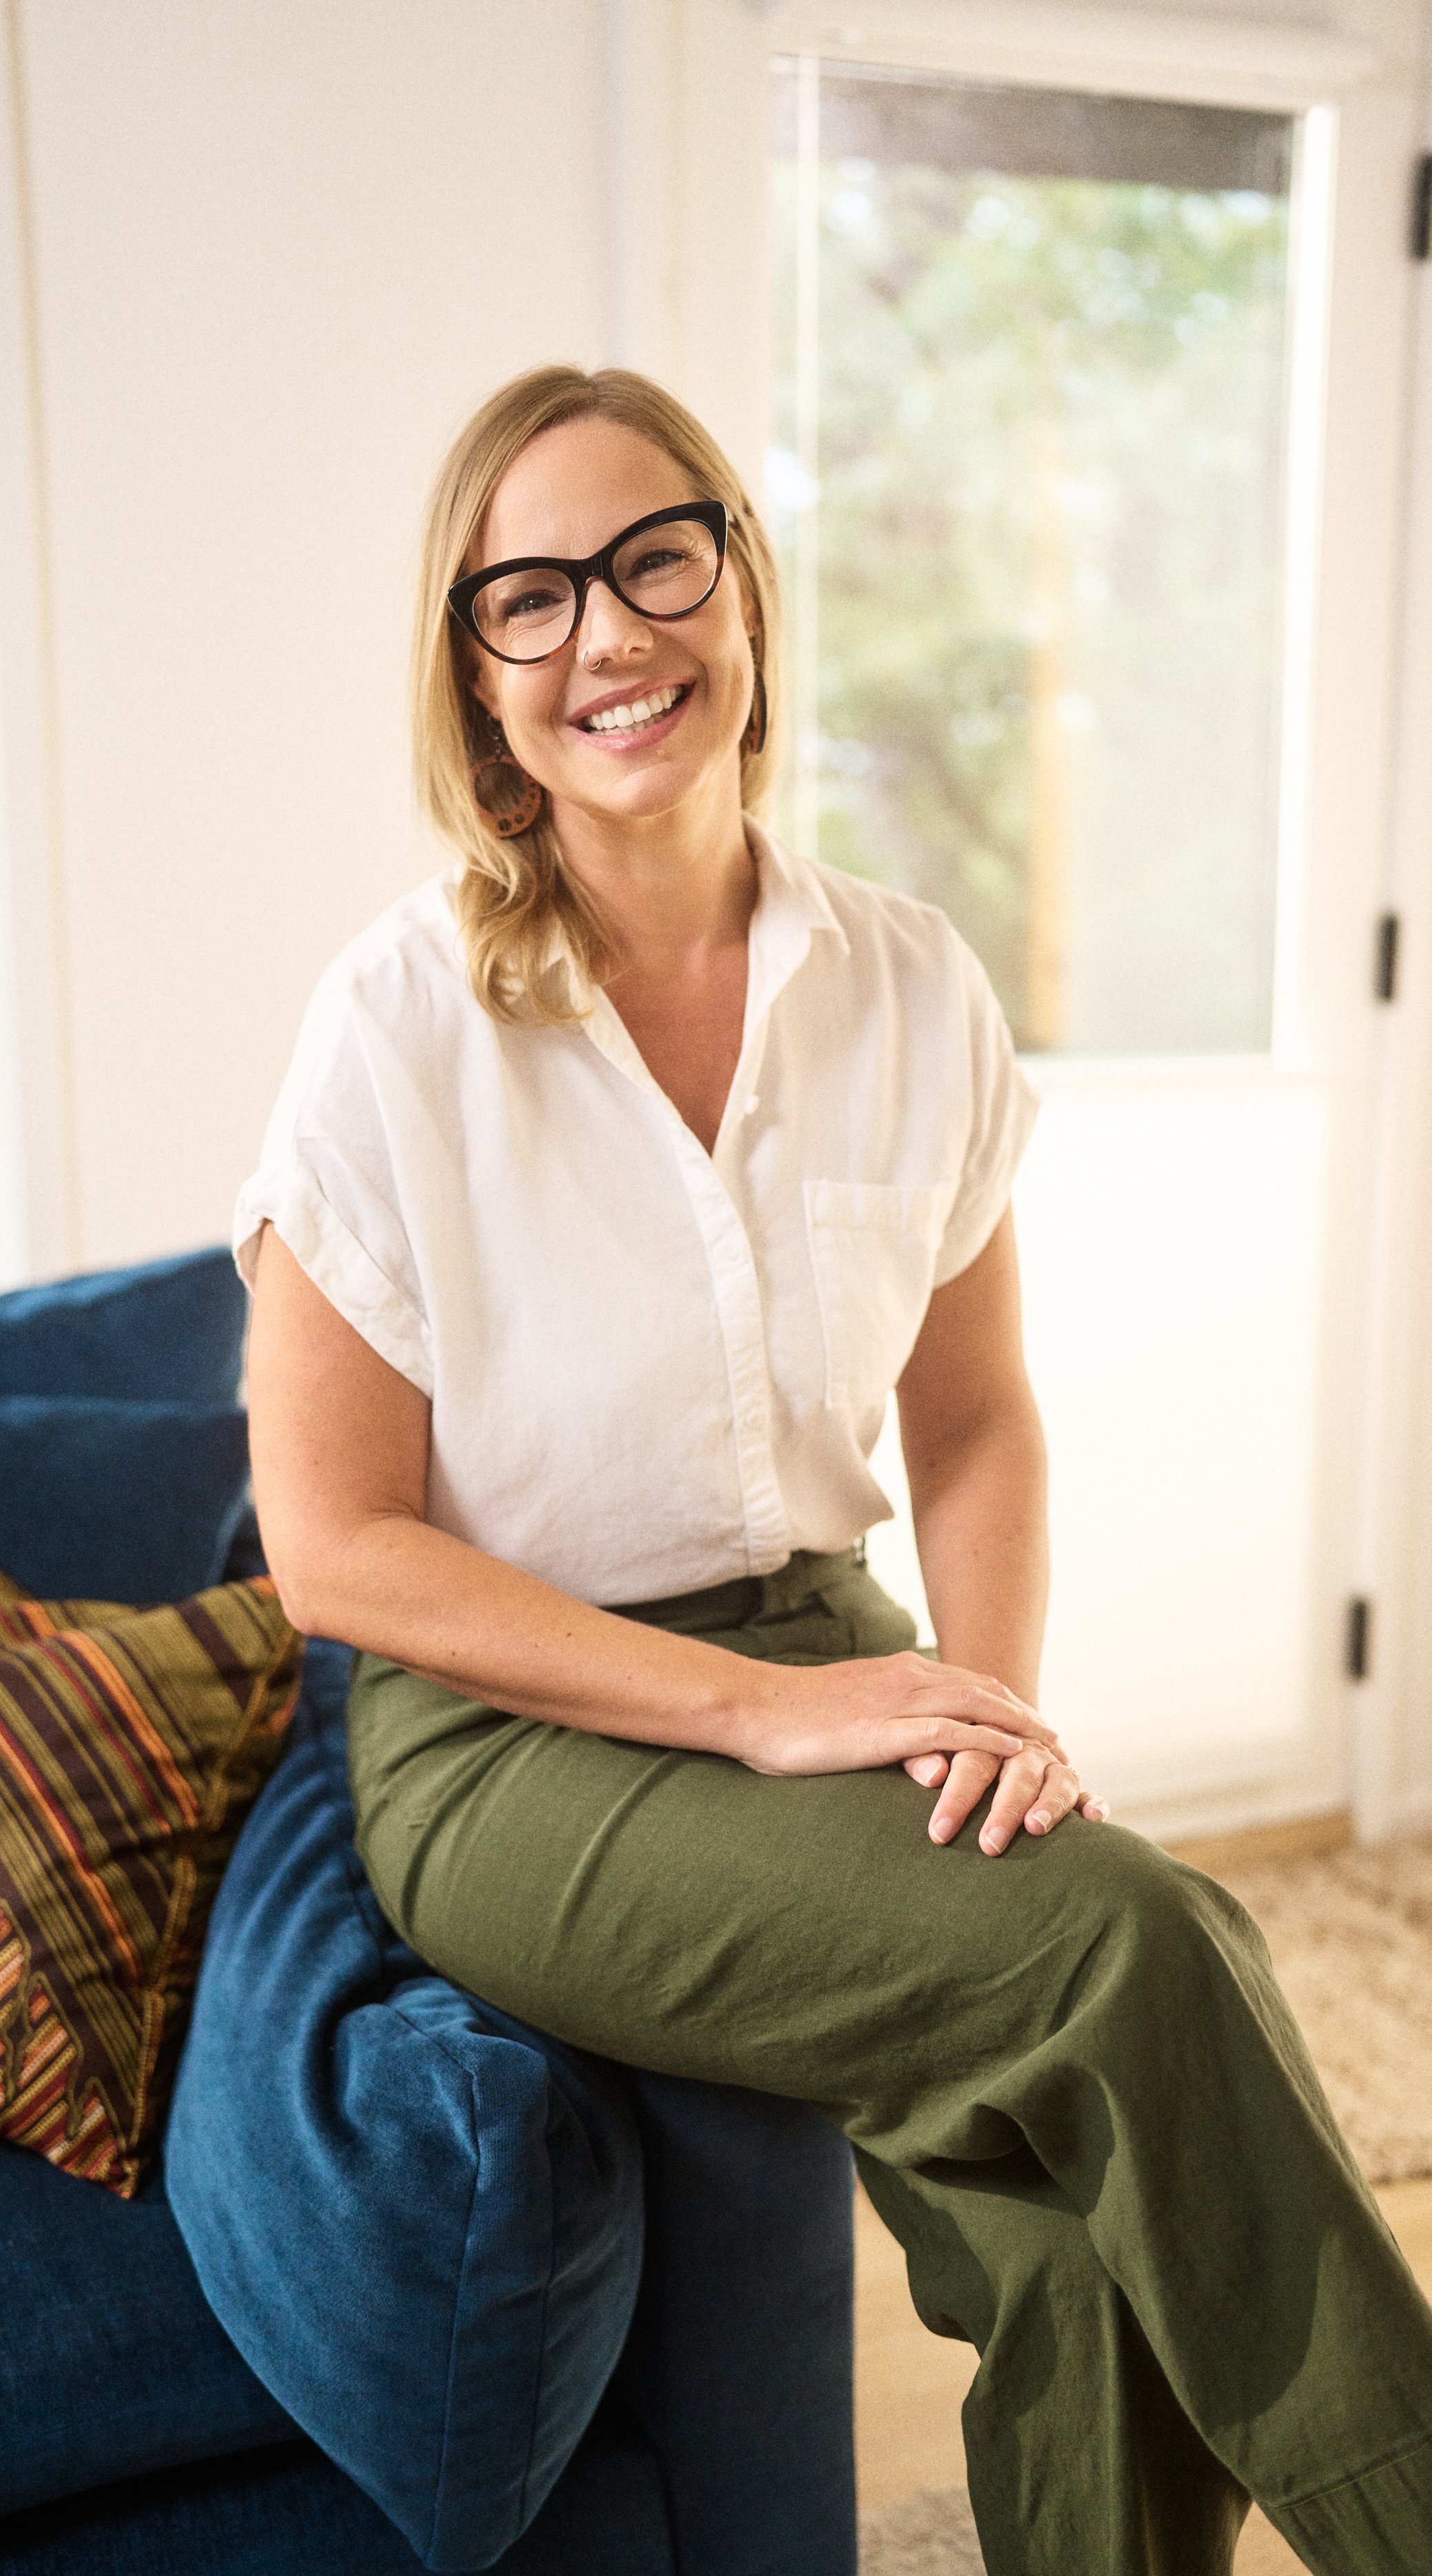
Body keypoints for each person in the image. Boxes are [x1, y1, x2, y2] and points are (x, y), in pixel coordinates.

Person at [236, 364, 1432, 2575]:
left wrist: (985, 1705)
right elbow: (334, 1552)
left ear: (744, 594)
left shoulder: (908, 985)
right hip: (507, 1739)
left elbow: (971, 1421)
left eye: (651, 558)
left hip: (825, 1632)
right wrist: (771, 1715)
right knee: (1133, 1954)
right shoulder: (390, 1026)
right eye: (529, 599)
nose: (607, 635)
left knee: (1075, 2211)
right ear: (475, 681)